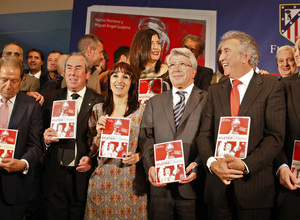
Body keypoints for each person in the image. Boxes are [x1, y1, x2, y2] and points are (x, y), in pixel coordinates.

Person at [197, 30, 286, 220]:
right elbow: (204, 134)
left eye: (226, 51)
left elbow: (275, 136)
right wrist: (212, 164)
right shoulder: (215, 90)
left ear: (246, 56)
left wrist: (245, 165)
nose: (221, 58)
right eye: (221, 53)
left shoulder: (270, 85)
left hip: (254, 189)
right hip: (217, 189)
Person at [139, 48, 208, 219]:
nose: (176, 69)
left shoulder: (208, 99)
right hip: (160, 187)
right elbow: (146, 136)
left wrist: (198, 165)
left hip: (193, 186)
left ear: (194, 71)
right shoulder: (155, 101)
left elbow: (211, 136)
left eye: (182, 64)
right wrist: (150, 166)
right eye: (172, 65)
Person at [43, 52, 104, 220]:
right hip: (54, 176)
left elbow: (102, 139)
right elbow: (36, 138)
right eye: (69, 68)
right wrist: (45, 140)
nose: (72, 73)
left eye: (78, 68)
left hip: (82, 175)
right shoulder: (49, 100)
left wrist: (91, 158)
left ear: (87, 74)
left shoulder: (100, 101)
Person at [84, 62, 147, 219]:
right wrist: (98, 134)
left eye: (126, 76)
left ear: (132, 82)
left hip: (131, 182)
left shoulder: (142, 111)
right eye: (115, 75)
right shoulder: (98, 110)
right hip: (102, 180)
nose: (120, 80)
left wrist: (138, 156)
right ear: (109, 81)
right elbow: (91, 150)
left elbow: (150, 144)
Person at [0, 56, 43, 219]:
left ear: (22, 80)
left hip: (14, 186)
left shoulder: (32, 106)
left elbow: (35, 145)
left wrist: (23, 163)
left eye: (14, 81)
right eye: (3, 79)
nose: (8, 86)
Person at [274, 47, 300, 219]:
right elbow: (274, 133)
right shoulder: (282, 86)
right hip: (293, 181)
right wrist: (282, 166)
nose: (297, 54)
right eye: (296, 49)